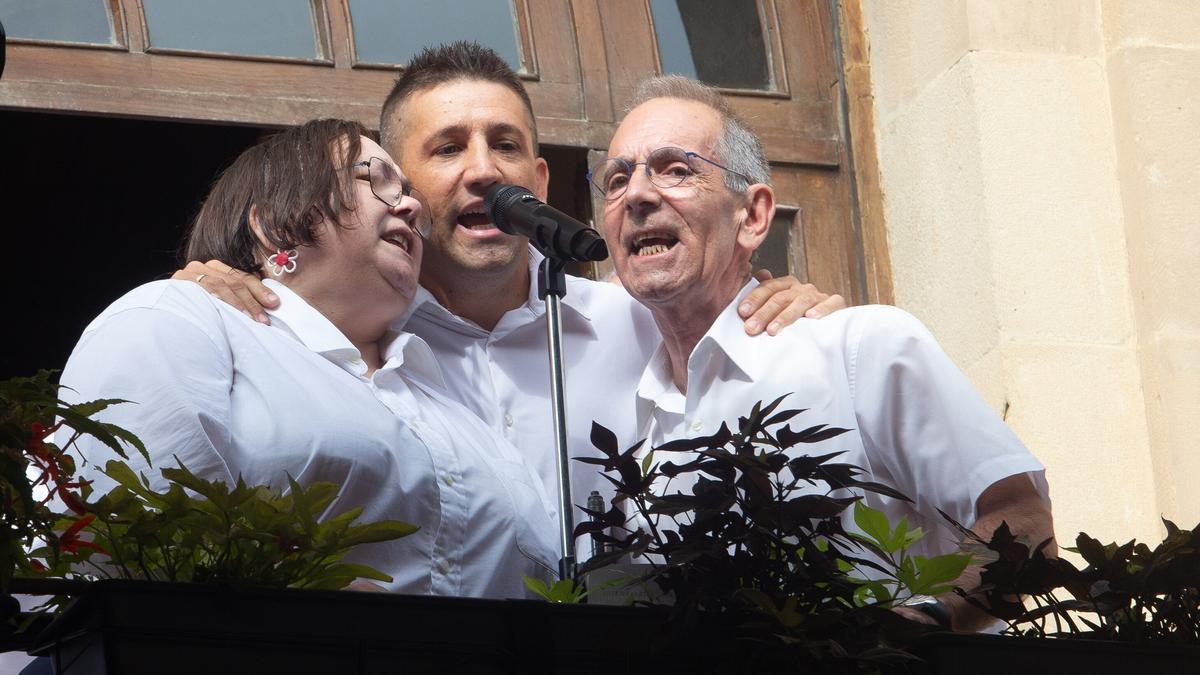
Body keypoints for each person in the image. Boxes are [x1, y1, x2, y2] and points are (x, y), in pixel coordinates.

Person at [174, 42, 847, 549]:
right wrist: (210, 293)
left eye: (505, 145)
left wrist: (785, 310)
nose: (484, 170)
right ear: (398, 191)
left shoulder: (643, 321)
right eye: (446, 149)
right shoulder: (361, 343)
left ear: (541, 180)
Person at [593, 75, 1056, 631]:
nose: (638, 194)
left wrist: (918, 623)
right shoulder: (625, 426)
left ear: (754, 215)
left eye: (676, 170)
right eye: (617, 179)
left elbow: (1025, 521)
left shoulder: (859, 348)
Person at [58, 119, 560, 598]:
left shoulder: (450, 404)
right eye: (379, 182)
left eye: (410, 195)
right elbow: (126, 538)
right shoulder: (181, 316)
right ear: (277, 224)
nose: (409, 206)